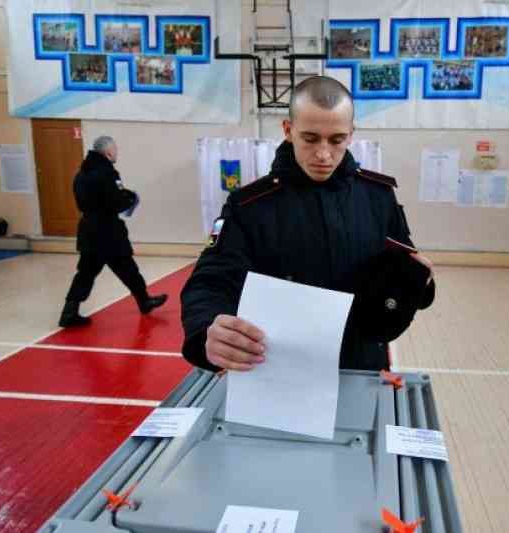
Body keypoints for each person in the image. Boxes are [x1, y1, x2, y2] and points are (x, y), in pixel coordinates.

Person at [180, 76, 436, 373]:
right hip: (279, 375)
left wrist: (420, 282)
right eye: (310, 138)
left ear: (351, 135)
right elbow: (209, 283)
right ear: (288, 131)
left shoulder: (378, 198)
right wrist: (206, 330)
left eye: (337, 139)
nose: (324, 154)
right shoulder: (249, 207)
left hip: (362, 367)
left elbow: (402, 268)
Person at [58, 136, 168, 327]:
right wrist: (130, 198)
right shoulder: (108, 173)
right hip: (108, 231)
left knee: (85, 273)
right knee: (128, 268)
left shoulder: (81, 174)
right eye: (115, 150)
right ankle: (144, 301)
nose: (116, 153)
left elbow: (85, 200)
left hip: (88, 229)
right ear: (108, 152)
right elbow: (117, 203)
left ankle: (69, 311)